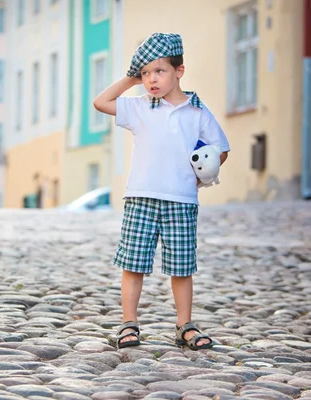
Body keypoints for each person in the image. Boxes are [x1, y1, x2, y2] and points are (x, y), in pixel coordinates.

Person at [93, 33, 230, 350]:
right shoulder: (140, 107)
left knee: (181, 268)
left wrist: (201, 179)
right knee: (134, 264)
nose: (151, 80)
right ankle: (129, 324)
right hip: (140, 198)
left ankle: (185, 325)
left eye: (159, 71)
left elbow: (221, 149)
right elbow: (101, 102)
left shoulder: (197, 112)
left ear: (179, 71)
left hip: (181, 201)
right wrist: (130, 78)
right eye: (145, 74)